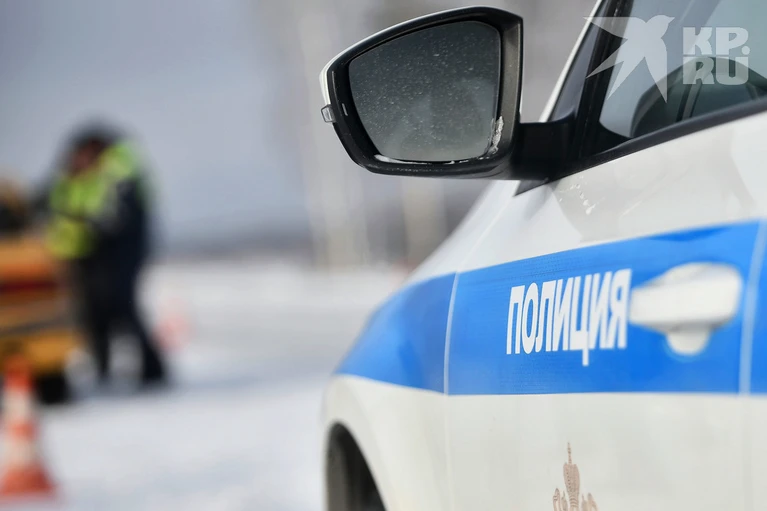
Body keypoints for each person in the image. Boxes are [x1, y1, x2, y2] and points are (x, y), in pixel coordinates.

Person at [45, 125, 167, 387]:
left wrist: (86, 222)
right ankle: (104, 371)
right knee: (94, 313)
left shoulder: (118, 169)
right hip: (88, 254)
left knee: (123, 308)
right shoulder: (78, 176)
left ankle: (151, 371)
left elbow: (116, 217)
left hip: (117, 253)